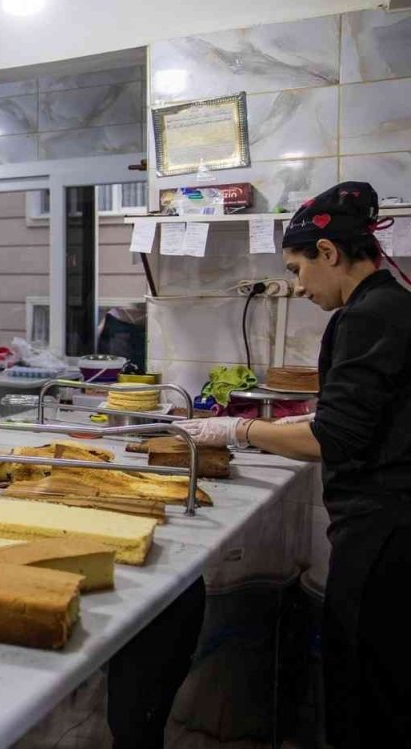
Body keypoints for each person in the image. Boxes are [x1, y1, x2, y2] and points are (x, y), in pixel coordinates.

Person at [177, 181, 411, 748]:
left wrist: (238, 427)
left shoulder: (366, 316)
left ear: (329, 254)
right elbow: (367, 413)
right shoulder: (394, 305)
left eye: (298, 269)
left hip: (385, 528)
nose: (298, 287)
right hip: (392, 522)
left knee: (365, 684)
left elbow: (334, 439)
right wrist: (290, 425)